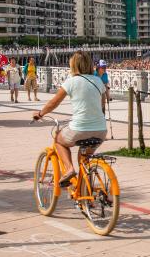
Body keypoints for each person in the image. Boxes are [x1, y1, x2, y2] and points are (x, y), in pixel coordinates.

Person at [33, 52, 107, 186]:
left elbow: (53, 103)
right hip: (101, 130)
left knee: (58, 140)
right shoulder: (98, 81)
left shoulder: (71, 81)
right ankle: (84, 190)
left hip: (80, 128)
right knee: (84, 159)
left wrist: (40, 113)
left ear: (74, 65)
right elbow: (102, 104)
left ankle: (69, 169)